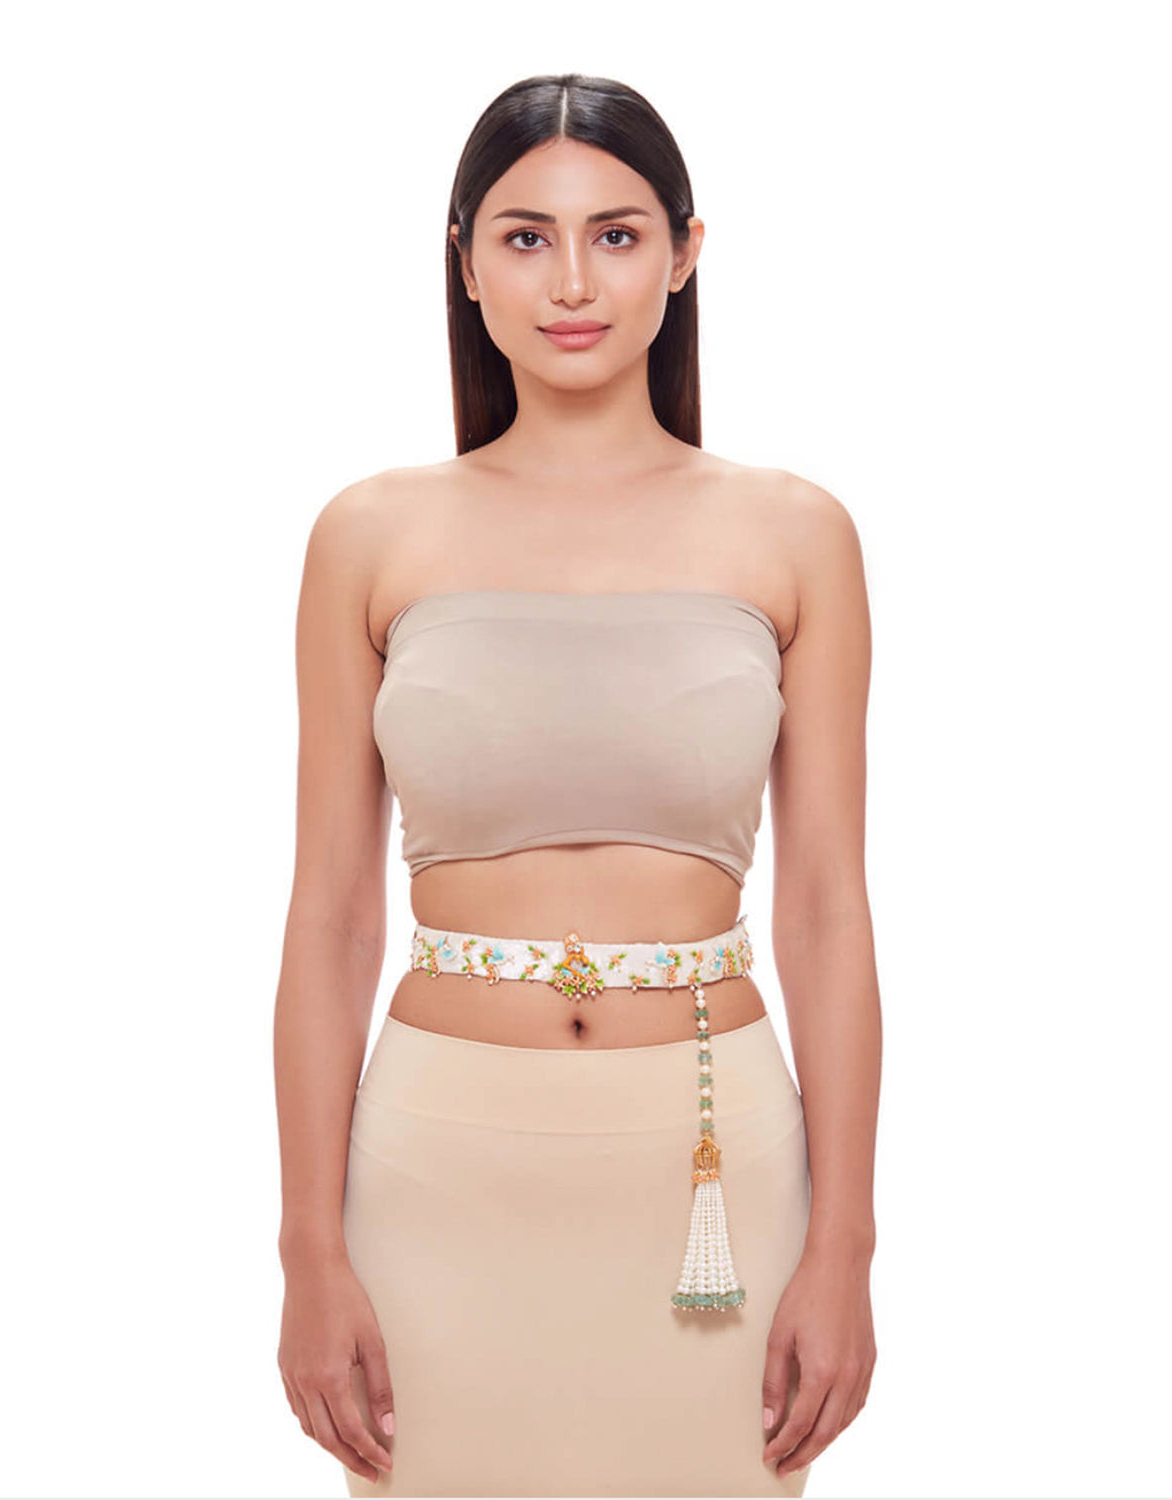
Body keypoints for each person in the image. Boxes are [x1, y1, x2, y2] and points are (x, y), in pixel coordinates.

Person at [274, 72, 880, 1499]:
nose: (570, 282)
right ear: (464, 261)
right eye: (524, 237)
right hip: (435, 1178)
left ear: (683, 253)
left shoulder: (795, 535)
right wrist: (307, 1251)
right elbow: (331, 921)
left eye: (615, 235)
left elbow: (827, 915)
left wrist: (846, 1246)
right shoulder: (370, 535)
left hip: (712, 1175)